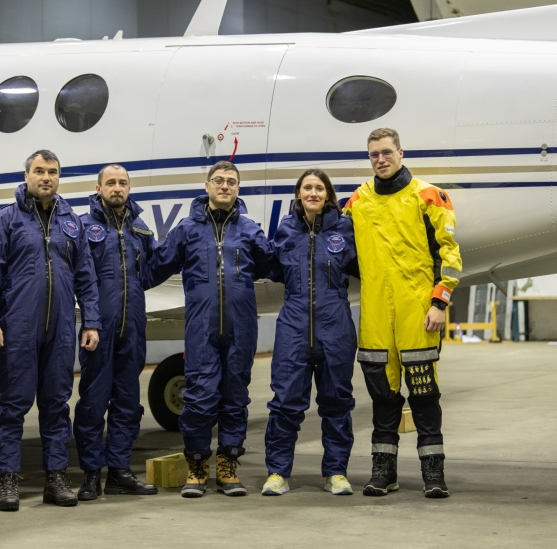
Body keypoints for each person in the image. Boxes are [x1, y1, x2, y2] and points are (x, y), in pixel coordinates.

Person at [0, 149, 101, 511]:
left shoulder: (71, 223)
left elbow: (86, 277)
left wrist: (91, 321)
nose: (46, 177)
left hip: (60, 329)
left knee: (56, 404)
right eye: (40, 171)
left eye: (53, 172)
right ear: (26, 175)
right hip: (17, 327)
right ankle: (8, 481)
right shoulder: (5, 220)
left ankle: (56, 479)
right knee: (12, 406)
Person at [344, 128, 462, 498]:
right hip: (376, 317)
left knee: (425, 396)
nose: (380, 159)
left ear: (400, 152)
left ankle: (433, 474)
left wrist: (440, 302)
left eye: (386, 152)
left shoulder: (429, 195)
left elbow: (450, 253)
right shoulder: (357, 201)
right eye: (374, 154)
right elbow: (337, 246)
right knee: (383, 399)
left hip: (418, 314)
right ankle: (383, 472)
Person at [149, 160, 276, 498]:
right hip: (201, 330)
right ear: (206, 186)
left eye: (231, 182)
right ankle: (196, 467)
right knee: (199, 399)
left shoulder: (249, 230)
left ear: (237, 188)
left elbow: (275, 265)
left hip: (241, 329)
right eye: (218, 181)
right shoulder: (186, 230)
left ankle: (228, 467)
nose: (224, 186)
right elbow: (153, 268)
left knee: (235, 399)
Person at [261, 169, 359, 497]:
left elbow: (364, 266)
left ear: (327, 194)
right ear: (299, 194)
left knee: (337, 403)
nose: (313, 193)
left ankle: (336, 472)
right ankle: (277, 472)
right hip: (293, 327)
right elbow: (274, 268)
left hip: (336, 327)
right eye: (307, 188)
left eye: (319, 188)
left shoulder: (345, 228)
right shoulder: (286, 230)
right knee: (286, 402)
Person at [72, 164, 158, 500]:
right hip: (98, 328)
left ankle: (119, 471)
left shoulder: (140, 229)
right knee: (93, 403)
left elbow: (149, 273)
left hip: (133, 328)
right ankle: (92, 474)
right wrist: (91, 319)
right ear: (98, 188)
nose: (117, 187)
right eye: (111, 182)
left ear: (130, 187)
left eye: (122, 182)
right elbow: (79, 277)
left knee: (127, 402)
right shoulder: (82, 227)